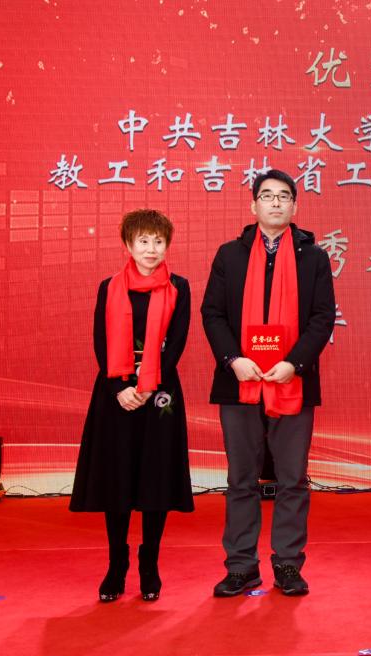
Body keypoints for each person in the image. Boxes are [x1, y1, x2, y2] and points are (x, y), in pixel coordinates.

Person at [201, 169, 335, 597]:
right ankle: (241, 565)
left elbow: (322, 318)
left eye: (283, 196)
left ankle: (288, 564)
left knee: (293, 479)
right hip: (239, 382)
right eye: (267, 196)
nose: (275, 203)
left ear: (294, 206)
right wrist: (233, 360)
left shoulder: (314, 258)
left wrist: (294, 363)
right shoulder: (229, 255)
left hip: (292, 380)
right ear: (253, 205)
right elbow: (212, 314)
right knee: (241, 479)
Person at [70, 209, 193, 602]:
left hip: (160, 393)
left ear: (167, 245)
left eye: (158, 241)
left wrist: (147, 385)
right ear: (128, 244)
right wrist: (120, 387)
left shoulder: (179, 287)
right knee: (118, 478)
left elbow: (176, 344)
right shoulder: (108, 287)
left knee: (156, 477)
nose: (151, 249)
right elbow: (100, 341)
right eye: (143, 241)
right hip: (115, 393)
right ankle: (116, 563)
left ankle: (149, 561)